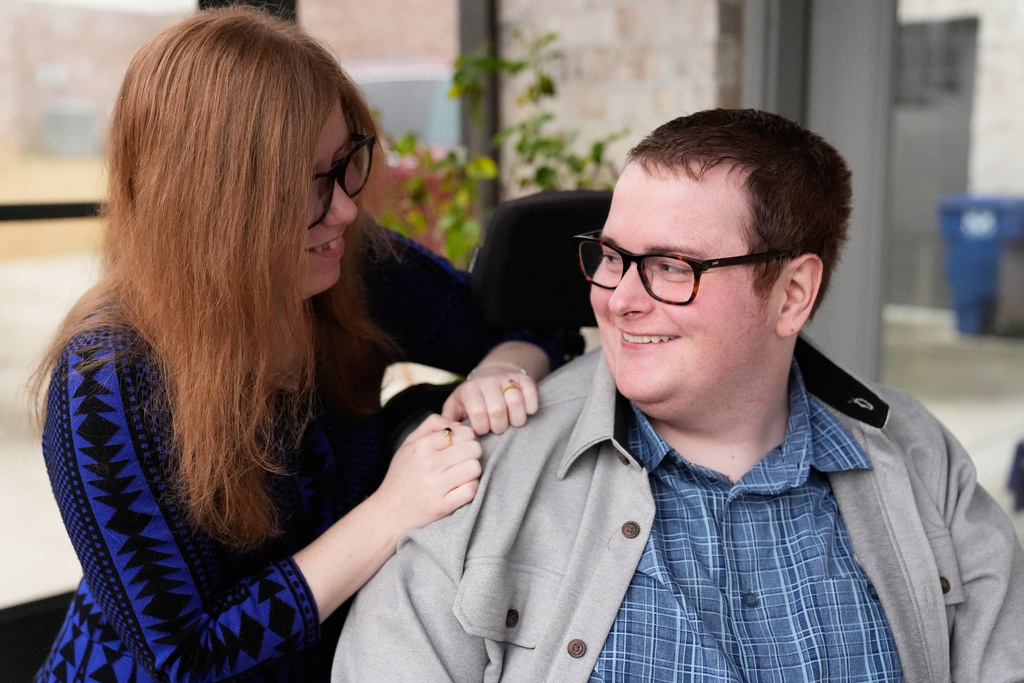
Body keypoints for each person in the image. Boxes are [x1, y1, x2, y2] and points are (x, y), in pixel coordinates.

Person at [333, 109, 1024, 682]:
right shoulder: (479, 474)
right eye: (610, 256)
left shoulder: (921, 461)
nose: (620, 299)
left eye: (670, 267)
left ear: (792, 294)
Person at [32, 6, 558, 682]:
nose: (344, 208)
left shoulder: (348, 267)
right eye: (309, 184)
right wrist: (391, 510)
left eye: (345, 164)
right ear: (213, 203)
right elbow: (185, 655)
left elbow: (530, 322)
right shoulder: (106, 382)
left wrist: (502, 369)